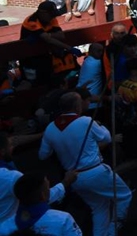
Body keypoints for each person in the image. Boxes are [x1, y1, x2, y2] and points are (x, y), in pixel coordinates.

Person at [39, 92, 132, 236]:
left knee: (99, 208)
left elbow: (43, 154)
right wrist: (99, 126)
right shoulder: (86, 121)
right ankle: (113, 230)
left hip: (75, 178)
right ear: (77, 106)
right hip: (96, 172)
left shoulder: (50, 128)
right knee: (125, 196)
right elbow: (106, 137)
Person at [0, 132, 77, 230]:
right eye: (10, 145)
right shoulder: (11, 177)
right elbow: (37, 197)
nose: (12, 148)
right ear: (2, 151)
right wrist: (65, 183)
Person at [0, 171, 81, 235]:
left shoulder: (4, 227)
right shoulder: (63, 219)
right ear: (43, 195)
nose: (49, 190)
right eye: (48, 187)